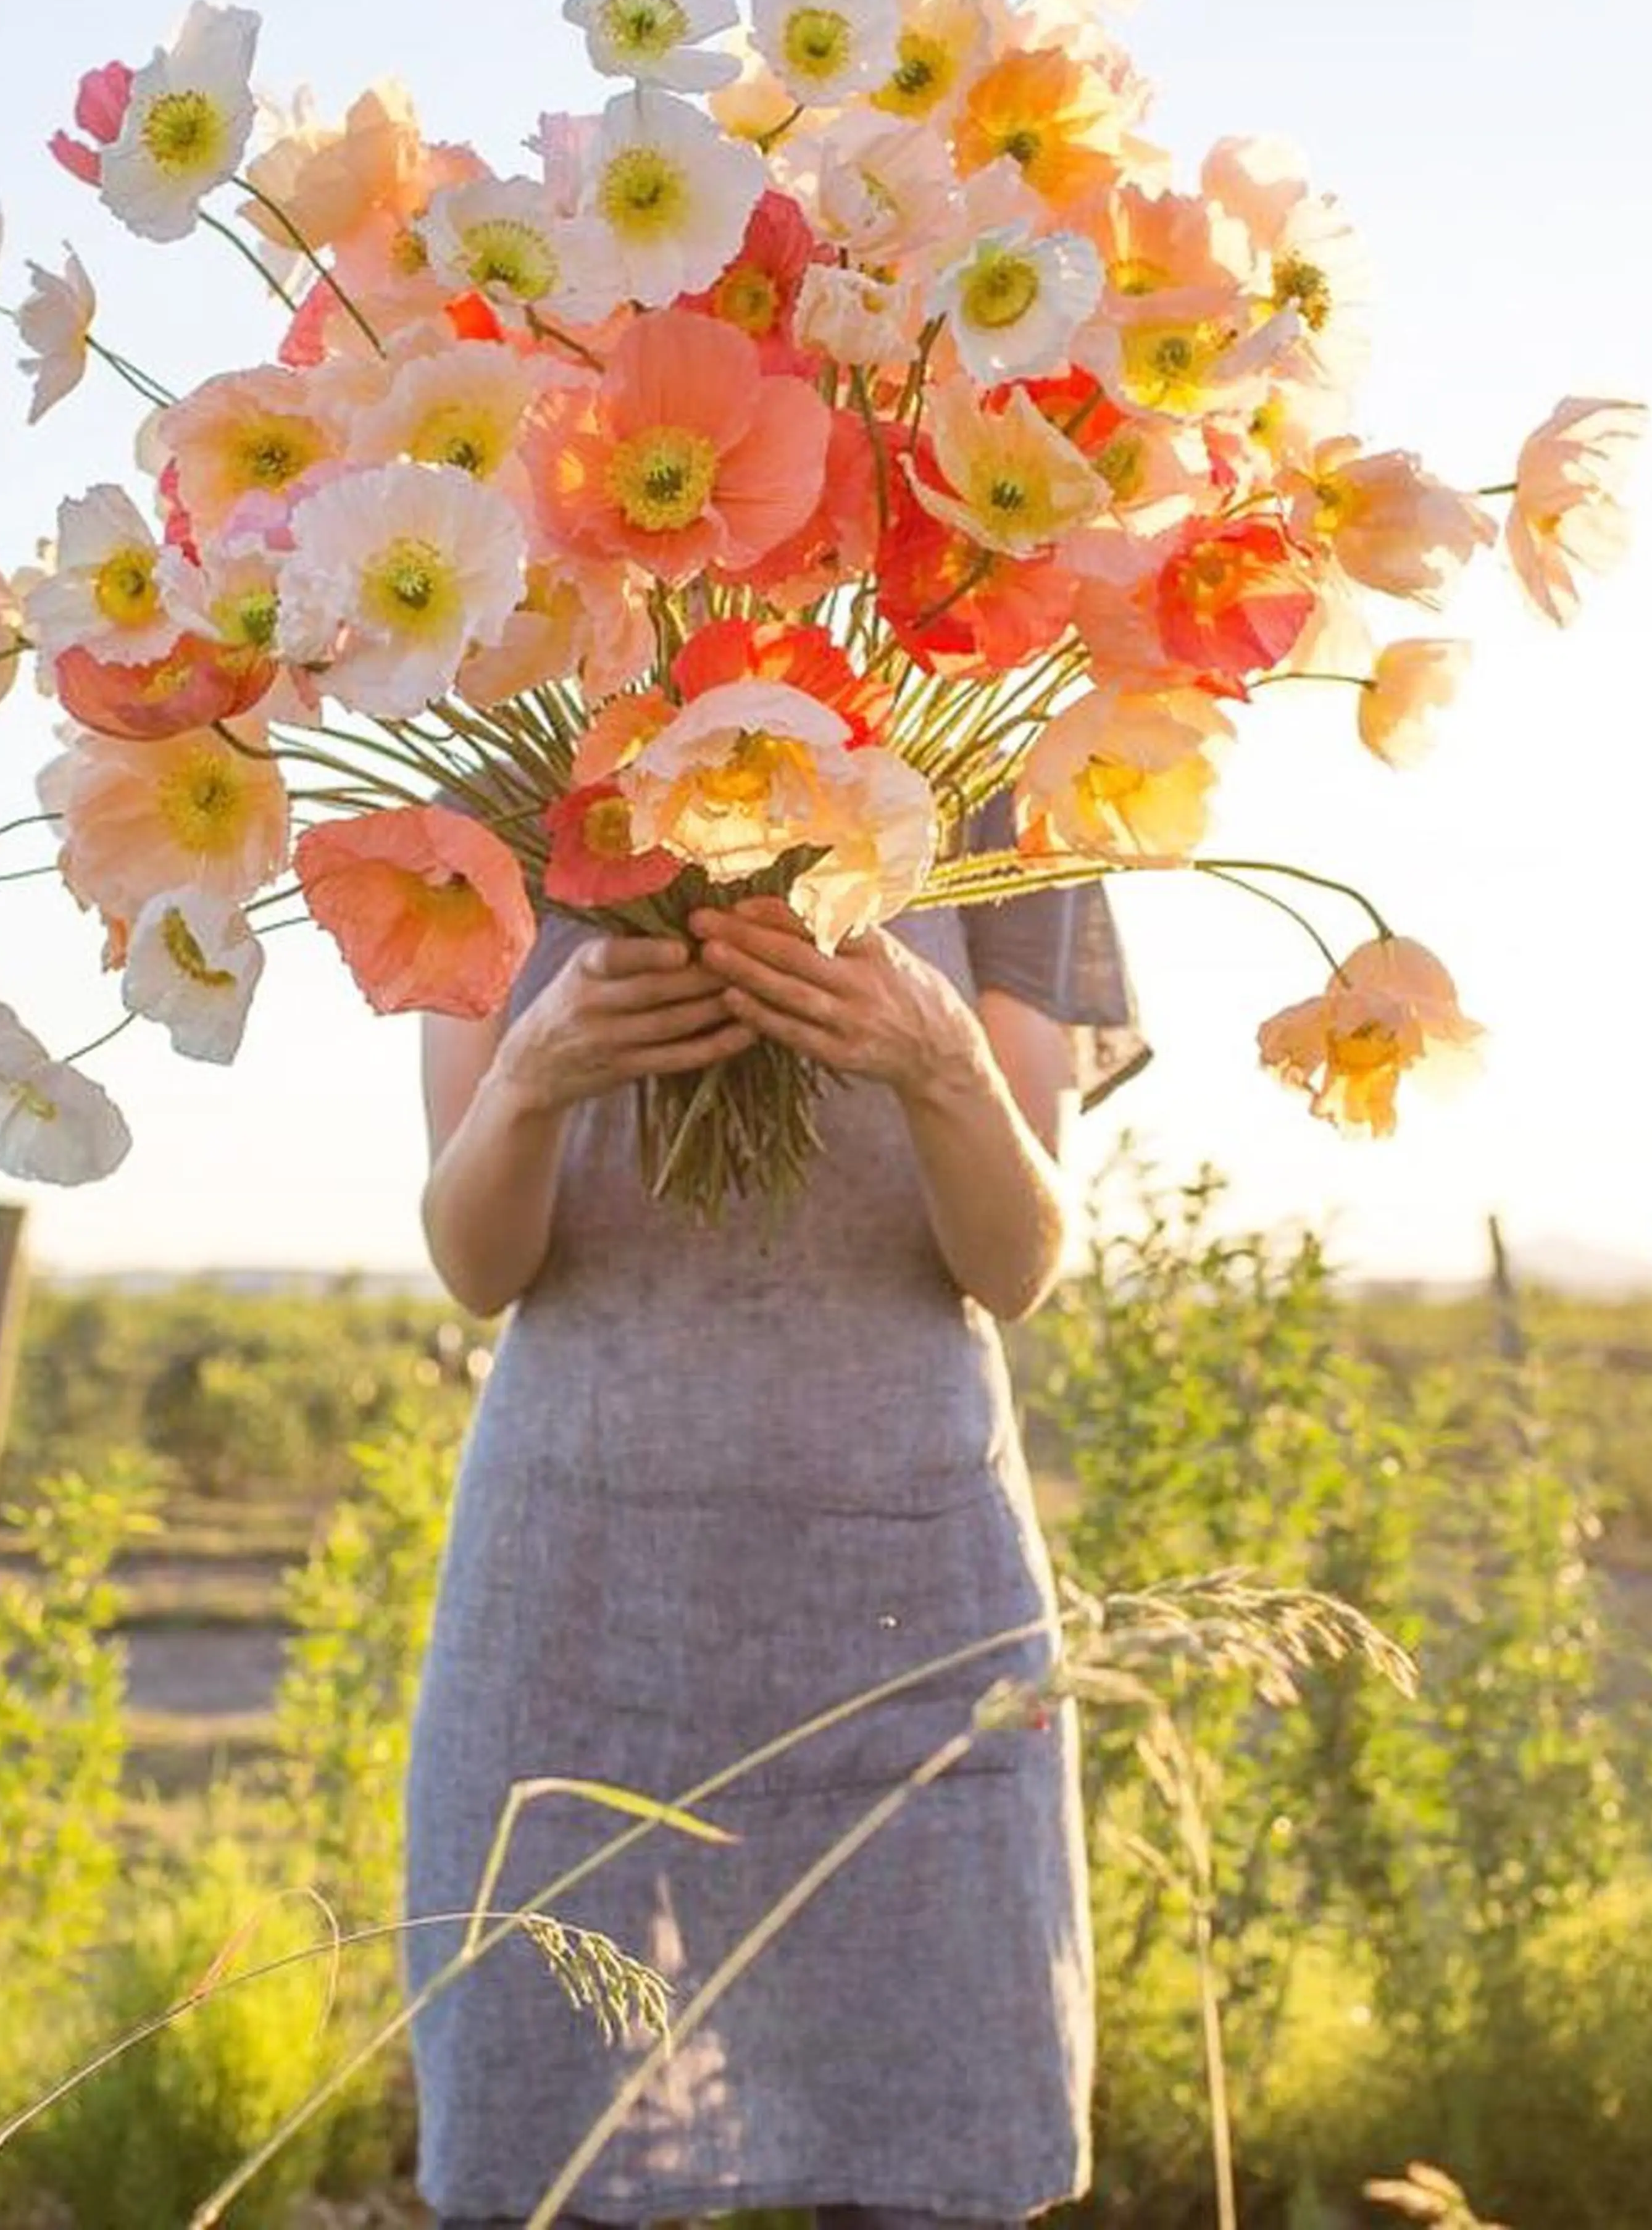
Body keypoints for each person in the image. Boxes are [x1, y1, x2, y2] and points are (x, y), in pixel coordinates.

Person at [401, 816, 1150, 2230]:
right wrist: (535, 1076)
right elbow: (476, 1259)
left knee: (931, 2170)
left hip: (907, 1612)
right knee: (542, 2165)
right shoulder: (500, 763)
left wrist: (938, 1058)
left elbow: (1017, 1259)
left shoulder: (1002, 778)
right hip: (577, 1607)